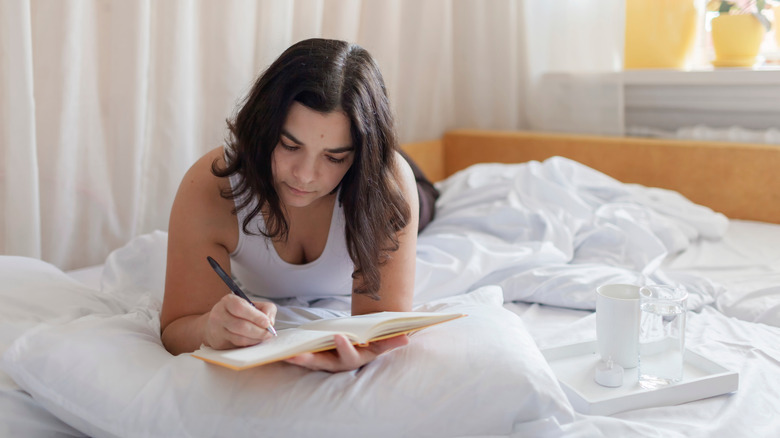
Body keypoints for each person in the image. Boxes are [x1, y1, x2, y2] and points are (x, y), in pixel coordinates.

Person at [159, 38, 438, 373]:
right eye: (289, 145)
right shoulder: (210, 186)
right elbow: (176, 328)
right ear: (262, 128)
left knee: (422, 196)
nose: (305, 176)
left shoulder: (387, 182)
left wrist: (363, 352)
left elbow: (379, 327)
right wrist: (210, 329)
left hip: (377, 184)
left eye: (334, 157)